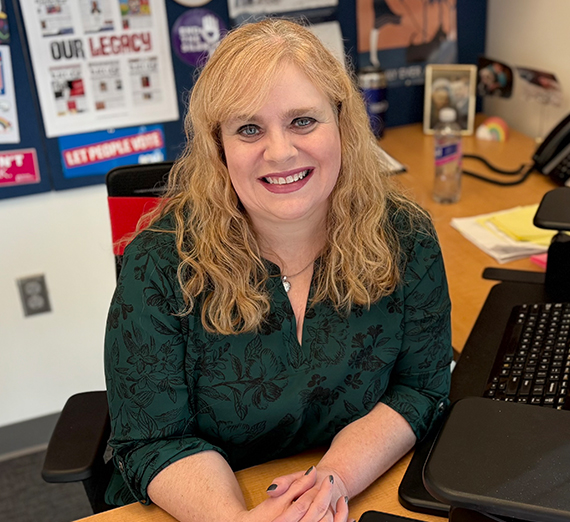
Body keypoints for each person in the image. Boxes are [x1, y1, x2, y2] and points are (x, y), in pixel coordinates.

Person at [104, 18, 452, 522]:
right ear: (219, 147)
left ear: (342, 122)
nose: (281, 151)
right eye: (249, 129)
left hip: (351, 495)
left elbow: (420, 388)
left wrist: (331, 482)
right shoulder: (159, 263)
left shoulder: (407, 238)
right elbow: (153, 440)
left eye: (303, 121)